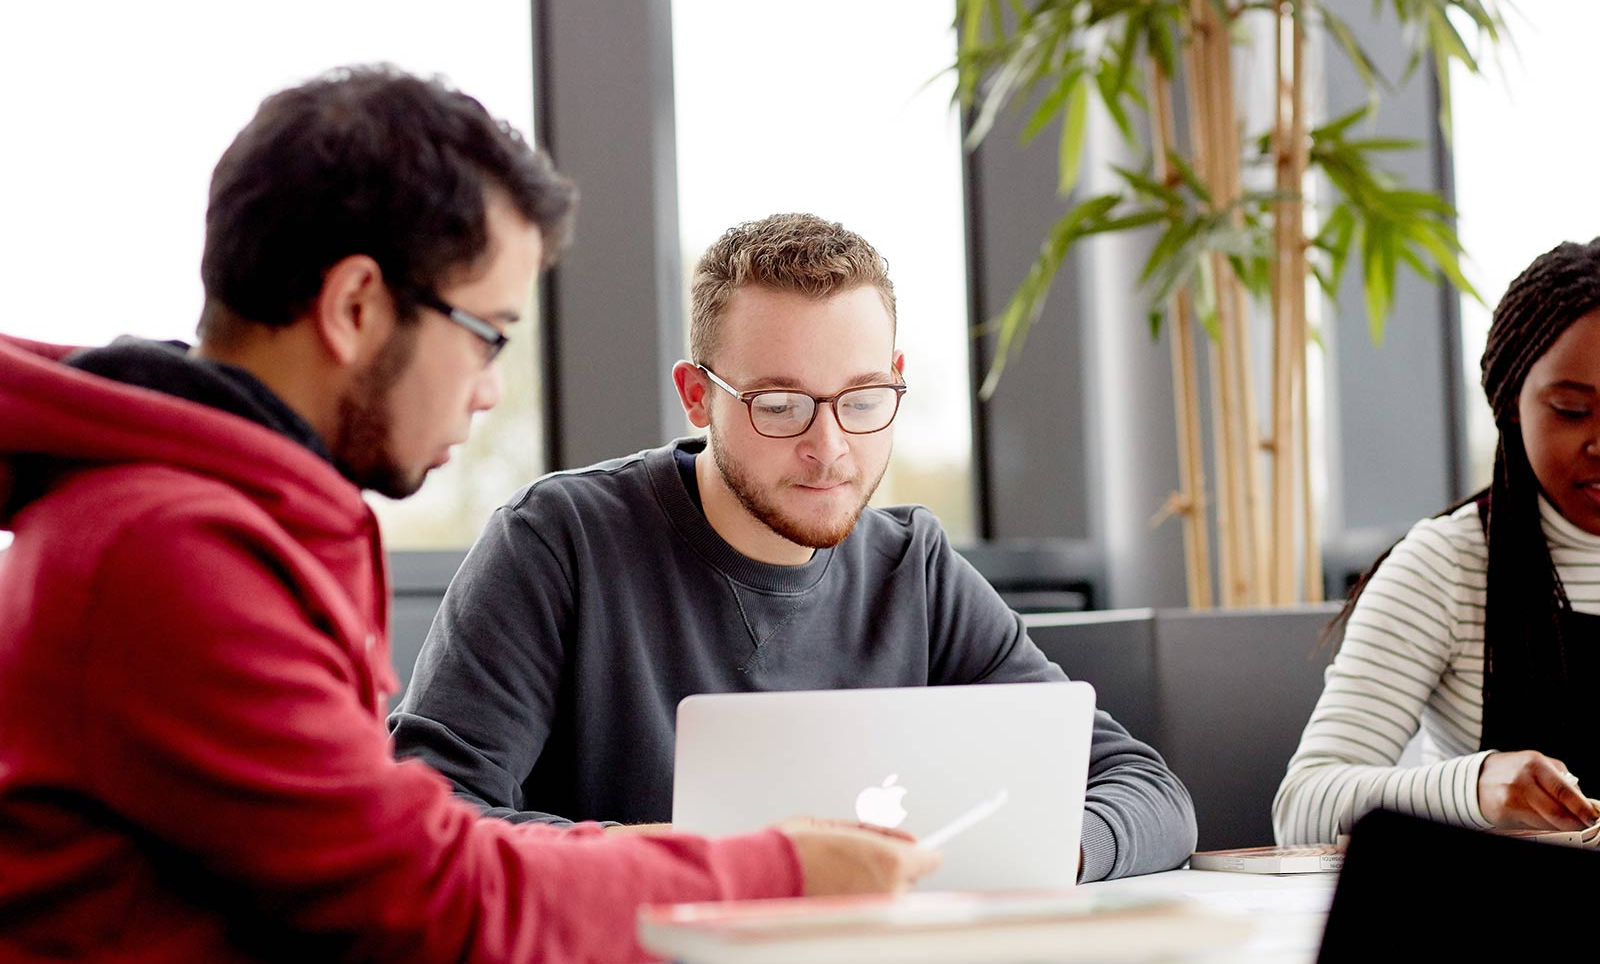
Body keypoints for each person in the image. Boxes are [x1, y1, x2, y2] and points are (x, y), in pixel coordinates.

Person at [0, 68, 935, 964]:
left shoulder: (230, 523)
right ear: (356, 305)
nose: (489, 393)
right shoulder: (167, 553)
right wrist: (777, 871)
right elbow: (437, 903)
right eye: (487, 335)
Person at [390, 212, 1198, 882]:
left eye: (863, 399)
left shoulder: (912, 568)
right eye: (780, 406)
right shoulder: (557, 541)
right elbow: (433, 816)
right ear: (698, 395)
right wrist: (731, 870)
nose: (830, 448)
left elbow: (1147, 790)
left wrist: (1038, 850)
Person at [1275, 238, 1600, 845]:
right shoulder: (1444, 567)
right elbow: (1302, 807)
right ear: (1512, 408)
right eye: (1571, 410)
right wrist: (1475, 788)